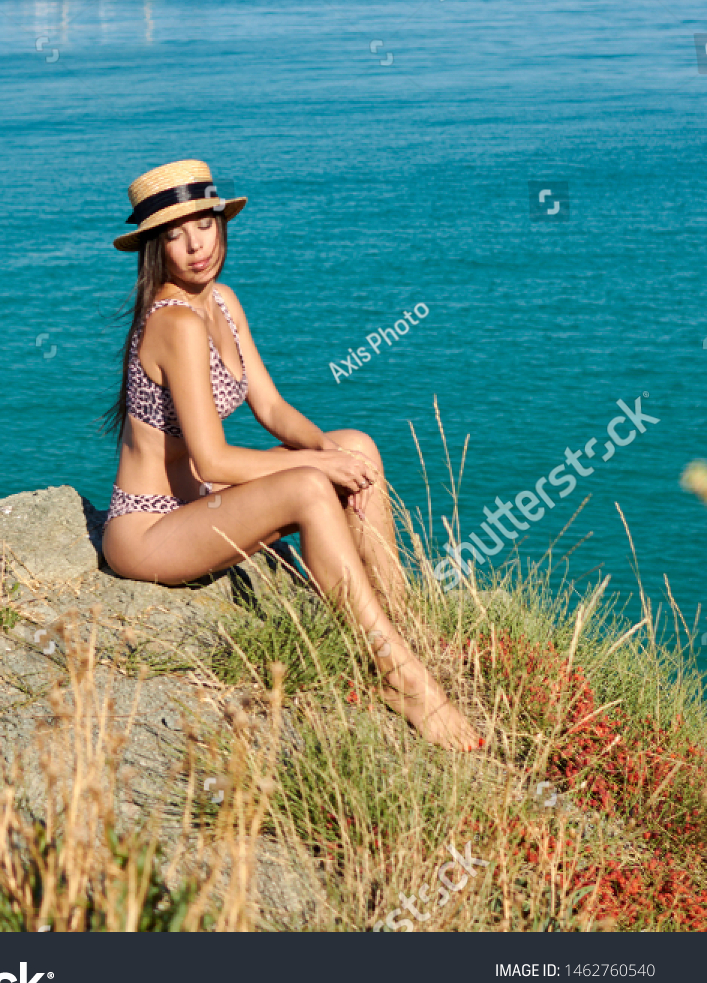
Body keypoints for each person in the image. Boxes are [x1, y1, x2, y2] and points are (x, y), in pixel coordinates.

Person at [101, 159, 482, 752]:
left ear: (220, 223)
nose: (195, 244)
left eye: (203, 223)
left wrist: (336, 454)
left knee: (357, 446)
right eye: (174, 234)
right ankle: (401, 680)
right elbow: (212, 461)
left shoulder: (220, 302)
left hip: (200, 508)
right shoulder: (173, 322)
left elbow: (273, 409)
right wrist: (318, 469)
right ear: (155, 249)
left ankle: (403, 622)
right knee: (309, 484)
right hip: (148, 527)